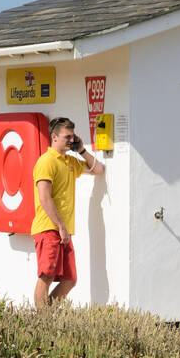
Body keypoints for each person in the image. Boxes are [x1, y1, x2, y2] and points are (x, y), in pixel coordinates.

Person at [32, 116, 104, 309]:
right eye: (67, 137)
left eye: (73, 136)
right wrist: (61, 226)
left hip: (63, 230)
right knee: (46, 275)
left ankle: (46, 320)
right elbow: (44, 198)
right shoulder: (46, 162)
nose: (71, 140)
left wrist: (81, 150)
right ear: (54, 137)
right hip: (49, 228)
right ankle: (41, 324)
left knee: (70, 280)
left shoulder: (70, 161)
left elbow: (98, 169)